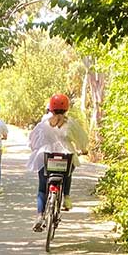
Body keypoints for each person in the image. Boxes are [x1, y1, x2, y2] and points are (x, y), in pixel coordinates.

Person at [28, 93, 89, 231]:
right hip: (65, 157)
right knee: (68, 172)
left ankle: (39, 216)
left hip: (45, 157)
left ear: (51, 108)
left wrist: (35, 148)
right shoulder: (71, 123)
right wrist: (82, 149)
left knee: (42, 189)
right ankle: (66, 196)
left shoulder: (43, 123)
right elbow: (82, 139)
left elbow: (32, 140)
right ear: (67, 108)